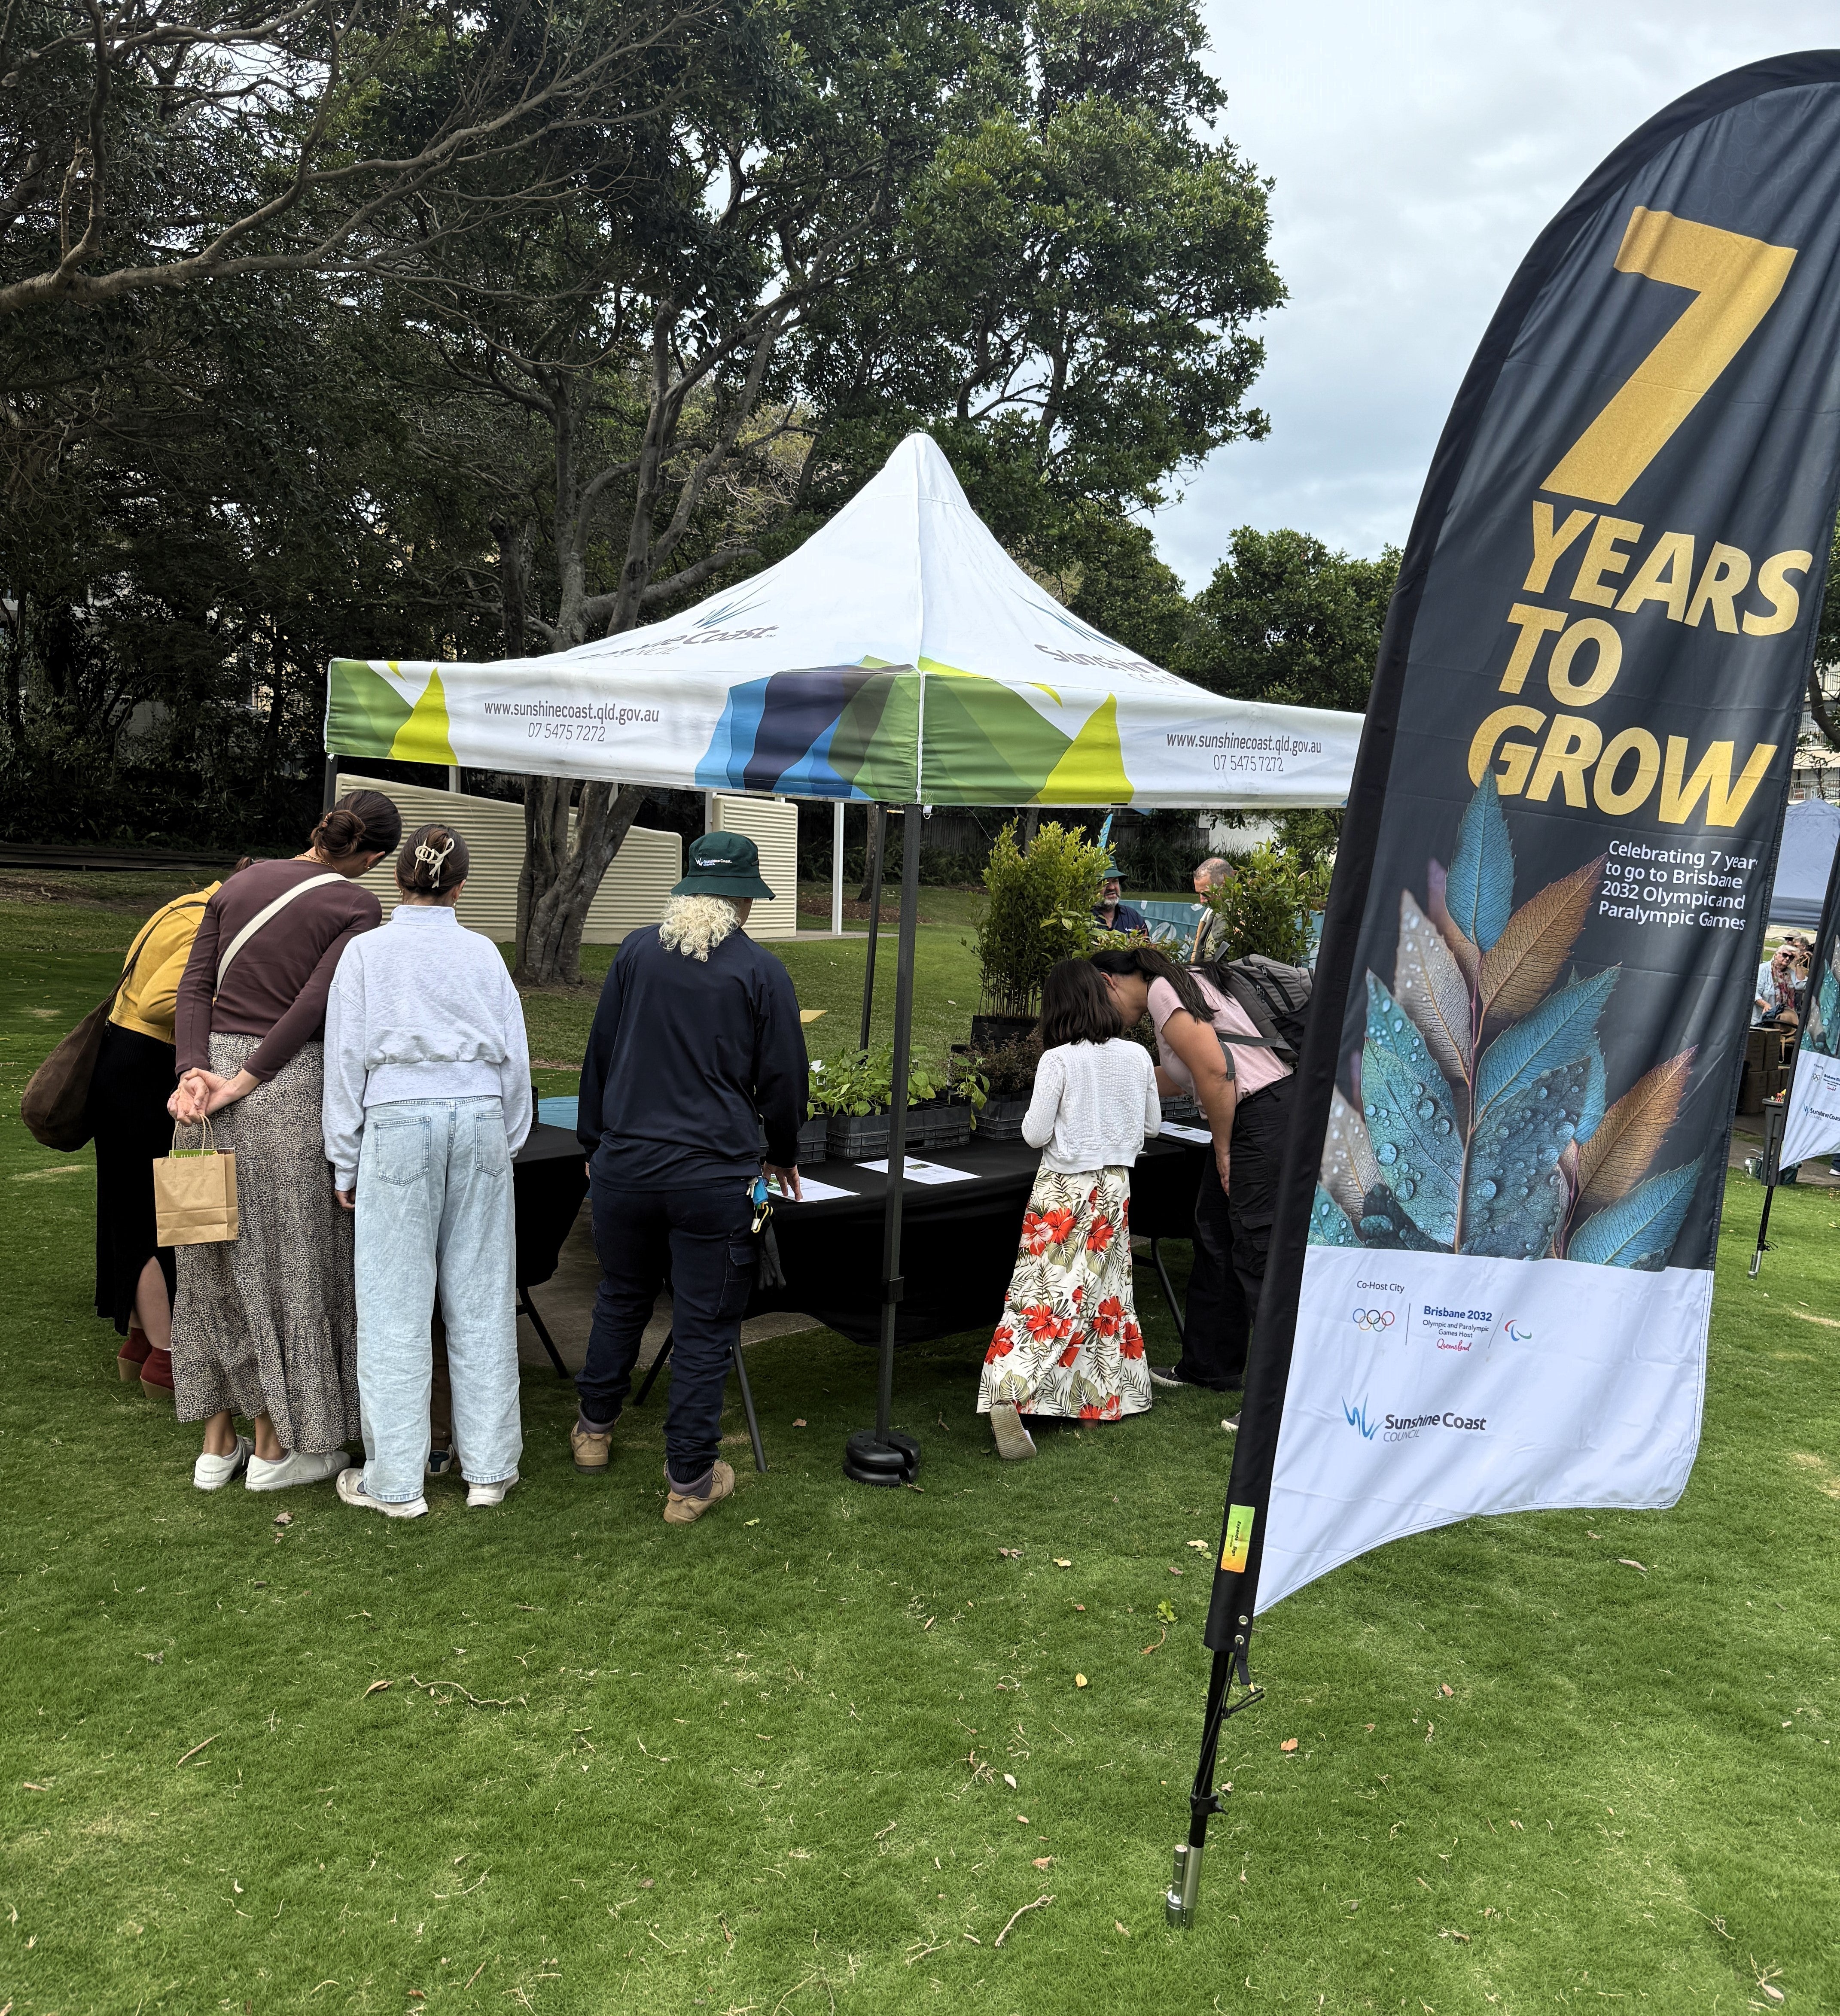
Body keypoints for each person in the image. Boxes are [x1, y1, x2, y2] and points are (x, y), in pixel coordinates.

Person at [168, 789, 402, 1493]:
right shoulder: (357, 907)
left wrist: (191, 1071)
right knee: (292, 1268)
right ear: (374, 856)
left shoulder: (238, 883)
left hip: (201, 1096)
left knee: (208, 1259)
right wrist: (247, 1079)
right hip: (287, 1089)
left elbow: (194, 985)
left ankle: (217, 1446)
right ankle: (277, 1448)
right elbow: (313, 1005)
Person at [572, 830, 806, 1525]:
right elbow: (783, 1079)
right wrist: (782, 1151)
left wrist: (594, 1141)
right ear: (743, 900)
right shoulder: (759, 972)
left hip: (625, 1167)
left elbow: (599, 1054)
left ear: (686, 892)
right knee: (704, 1325)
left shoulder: (636, 953)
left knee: (620, 1296)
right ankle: (689, 1479)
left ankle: (593, 1429)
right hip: (712, 1174)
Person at [322, 822, 533, 1519]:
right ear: (461, 885)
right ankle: (489, 1469)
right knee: (480, 1297)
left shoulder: (365, 955)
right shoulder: (482, 955)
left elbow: (344, 1062)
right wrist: (504, 1138)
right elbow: (515, 1060)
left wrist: (344, 1159)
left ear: (397, 880)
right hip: (476, 1118)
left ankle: (396, 1482)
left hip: (398, 1121)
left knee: (393, 1307)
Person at [1091, 943, 1295, 1420]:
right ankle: (1209, 1366)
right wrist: (1097, 1077)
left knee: (1256, 1249)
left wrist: (1223, 1148)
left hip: (1260, 1119)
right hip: (1257, 1115)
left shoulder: (1165, 992)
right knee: (1215, 1232)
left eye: (1095, 1002)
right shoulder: (1177, 985)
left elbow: (1217, 1071)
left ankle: (1278, 1400)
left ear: (1109, 982)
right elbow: (1180, 1075)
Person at [978, 959, 1161, 1458]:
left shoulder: (1059, 1060)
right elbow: (1153, 1126)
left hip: (1063, 1190)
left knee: (1045, 1295)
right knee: (1104, 1295)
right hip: (1114, 1188)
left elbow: (1034, 1133)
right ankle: (1096, 1400)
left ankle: (1009, 1386)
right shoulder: (1138, 1056)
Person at [91, 873, 227, 1395]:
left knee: (131, 1206)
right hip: (145, 1065)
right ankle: (167, 1360)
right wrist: (229, 1003)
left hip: (121, 1060)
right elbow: (159, 1002)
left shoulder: (182, 905)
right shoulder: (206, 920)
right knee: (155, 1217)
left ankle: (142, 1342)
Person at [1189, 857, 1233, 964]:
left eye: (1206, 894)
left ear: (1225, 884)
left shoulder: (1244, 915)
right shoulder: (1212, 913)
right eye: (1199, 894)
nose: (1202, 901)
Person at [1092, 871, 1149, 937]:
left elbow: (1147, 945)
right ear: (1091, 888)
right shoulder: (1083, 920)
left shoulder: (1133, 917)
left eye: (1115, 881)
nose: (1112, 888)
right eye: (1105, 883)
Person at [1755, 945, 1797, 1025]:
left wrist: (1798, 964)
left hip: (1781, 1021)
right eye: (1785, 955)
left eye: (1791, 957)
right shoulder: (1763, 969)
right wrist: (1765, 1005)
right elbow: (1755, 994)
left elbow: (1802, 985)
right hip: (1760, 1020)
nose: (1788, 959)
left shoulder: (1791, 973)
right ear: (1776, 955)